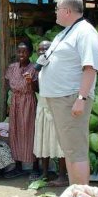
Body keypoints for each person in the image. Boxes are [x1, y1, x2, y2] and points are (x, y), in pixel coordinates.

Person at [39, 0, 98, 186]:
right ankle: (76, 194)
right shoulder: (66, 32)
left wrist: (81, 98)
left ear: (66, 11)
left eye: (57, 8)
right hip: (60, 99)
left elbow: (90, 68)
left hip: (71, 98)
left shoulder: (85, 32)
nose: (55, 12)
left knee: (76, 150)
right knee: (70, 150)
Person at [33, 40, 67, 185]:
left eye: (45, 49)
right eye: (39, 50)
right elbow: (40, 88)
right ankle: (45, 173)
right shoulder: (40, 67)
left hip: (56, 109)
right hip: (43, 106)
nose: (42, 52)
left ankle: (62, 177)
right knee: (43, 141)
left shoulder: (58, 66)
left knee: (60, 144)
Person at [4, 41, 39, 179]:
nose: (21, 54)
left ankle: (35, 167)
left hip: (29, 102)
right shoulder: (12, 67)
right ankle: (18, 166)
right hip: (15, 103)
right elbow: (8, 83)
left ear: (30, 53)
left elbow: (38, 89)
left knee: (30, 133)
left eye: (24, 52)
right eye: (19, 51)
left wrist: (32, 82)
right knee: (15, 133)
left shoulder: (34, 68)